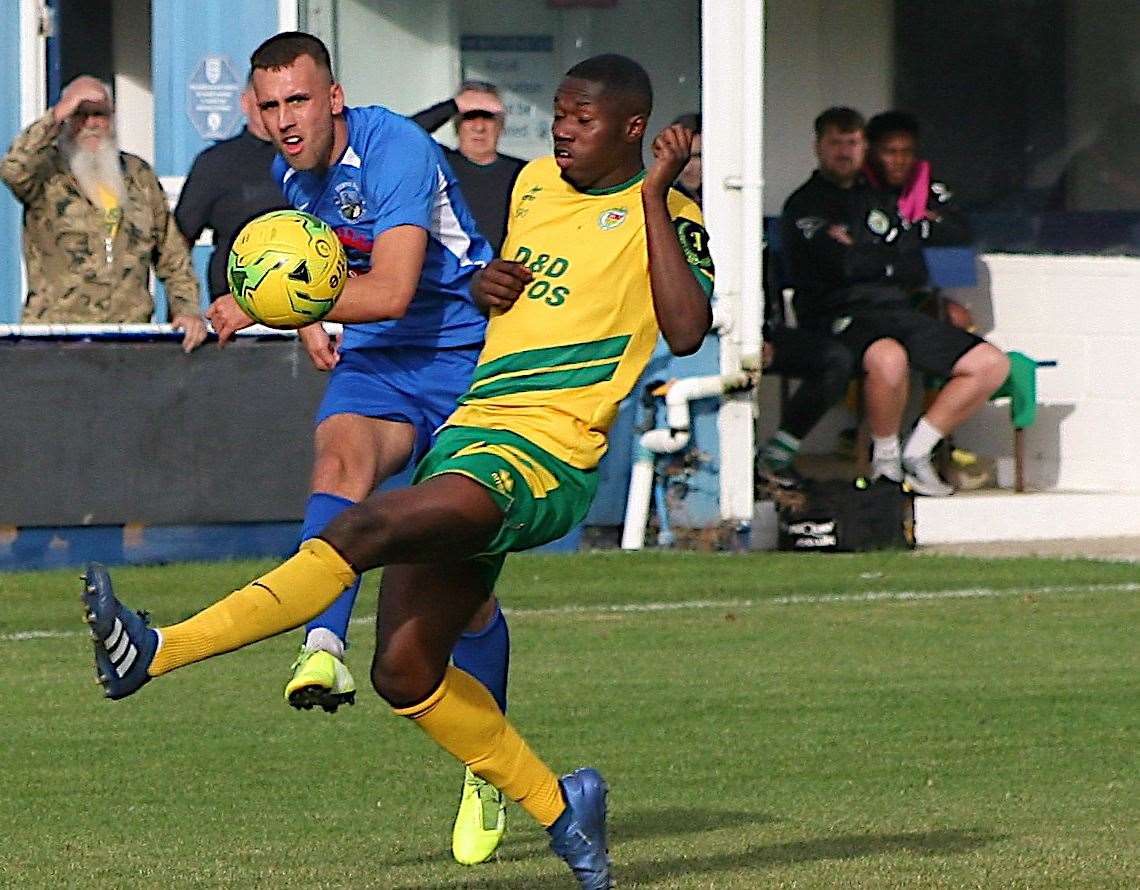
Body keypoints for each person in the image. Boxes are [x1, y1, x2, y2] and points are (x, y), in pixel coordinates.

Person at [82, 52, 712, 890]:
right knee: (405, 671)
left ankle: (155, 653)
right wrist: (494, 286)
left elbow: (686, 328)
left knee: (361, 524)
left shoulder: (670, 209)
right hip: (472, 430)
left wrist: (651, 199)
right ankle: (564, 810)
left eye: (582, 118)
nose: (561, 129)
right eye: (557, 113)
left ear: (634, 129)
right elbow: (528, 296)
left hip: (544, 456)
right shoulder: (532, 191)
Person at [202, 33, 510, 865]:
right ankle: (324, 647)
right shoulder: (286, 176)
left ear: (333, 97)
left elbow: (398, 287)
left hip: (462, 353)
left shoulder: (397, 149)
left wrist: (267, 306)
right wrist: (306, 317)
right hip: (381, 357)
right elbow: (320, 270)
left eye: (297, 101)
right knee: (338, 461)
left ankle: (488, 769)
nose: (284, 120)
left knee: (461, 593)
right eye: (269, 107)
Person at [781, 106, 1009, 496]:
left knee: (990, 364)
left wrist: (870, 258)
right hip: (838, 317)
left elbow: (913, 267)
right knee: (888, 358)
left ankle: (917, 454)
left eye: (852, 142)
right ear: (818, 147)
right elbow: (841, 266)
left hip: (894, 311)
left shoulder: (879, 200)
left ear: (863, 147)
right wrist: (880, 260)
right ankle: (885, 465)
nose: (844, 151)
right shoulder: (806, 203)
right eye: (835, 142)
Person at [1, 76, 206, 352]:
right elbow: (13, 168)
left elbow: (173, 259)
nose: (91, 124)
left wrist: (187, 311)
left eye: (99, 114)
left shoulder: (138, 176)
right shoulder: (47, 174)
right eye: (79, 115)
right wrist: (58, 113)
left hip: (129, 340)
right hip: (56, 340)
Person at [174, 79, 290, 301]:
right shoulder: (216, 162)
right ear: (245, 103)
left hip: (305, 305)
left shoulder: (309, 158)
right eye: (264, 104)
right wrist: (182, 308)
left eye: (277, 104)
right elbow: (179, 242)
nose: (272, 113)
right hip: (235, 309)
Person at [864, 110, 974, 330]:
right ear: (873, 152)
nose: (899, 161)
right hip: (864, 299)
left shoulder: (927, 188)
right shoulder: (857, 190)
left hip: (909, 294)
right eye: (890, 152)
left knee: (958, 318)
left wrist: (922, 226)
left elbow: (960, 233)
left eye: (907, 152)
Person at [410, 81, 526, 254]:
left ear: (500, 125)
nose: (479, 127)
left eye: (487, 117)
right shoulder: (440, 164)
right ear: (458, 124)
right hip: (448, 274)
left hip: (503, 273)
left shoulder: (524, 172)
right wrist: (453, 106)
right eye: (470, 116)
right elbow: (400, 137)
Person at [671, 112, 702, 206]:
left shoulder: (726, 197)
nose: (686, 168)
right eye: (680, 158)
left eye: (696, 157)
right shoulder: (666, 205)